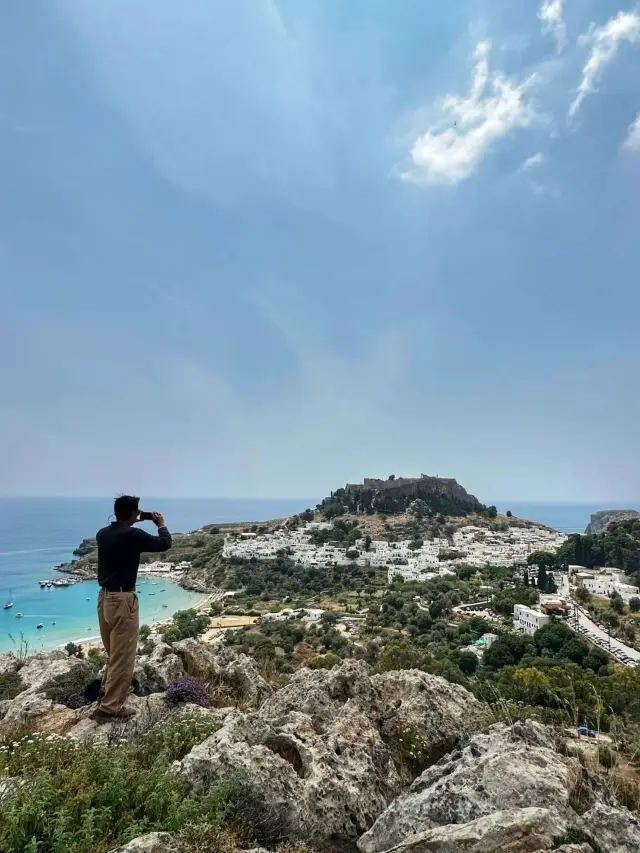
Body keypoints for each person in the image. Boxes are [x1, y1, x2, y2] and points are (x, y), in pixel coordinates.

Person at [92, 495, 172, 722]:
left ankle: (105, 696)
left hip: (104, 599)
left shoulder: (102, 534)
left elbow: (120, 536)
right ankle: (110, 708)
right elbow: (165, 544)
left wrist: (130, 520)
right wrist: (161, 525)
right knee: (124, 656)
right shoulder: (133, 535)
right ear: (135, 514)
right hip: (123, 600)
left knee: (113, 653)